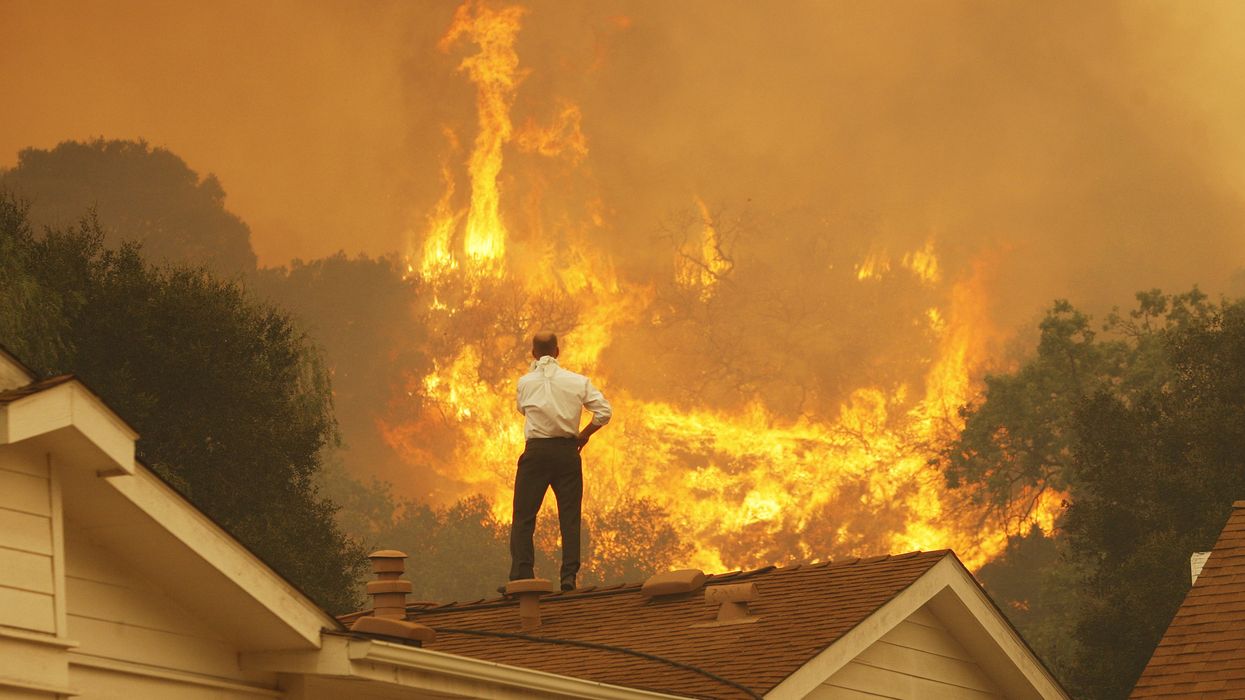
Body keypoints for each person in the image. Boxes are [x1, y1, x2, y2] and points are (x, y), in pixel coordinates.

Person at [507, 330, 611, 592]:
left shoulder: (525, 382)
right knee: (569, 517)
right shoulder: (578, 381)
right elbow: (604, 412)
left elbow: (522, 409)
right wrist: (584, 435)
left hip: (536, 452)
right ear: (557, 351)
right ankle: (568, 577)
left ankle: (522, 576)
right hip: (567, 452)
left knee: (524, 516)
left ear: (533, 353)